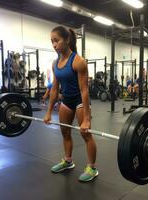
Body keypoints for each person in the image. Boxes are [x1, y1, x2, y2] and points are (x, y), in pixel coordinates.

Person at [43, 26, 98, 182]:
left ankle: (92, 167)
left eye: (56, 40)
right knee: (65, 132)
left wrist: (87, 118)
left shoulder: (78, 61)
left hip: (80, 100)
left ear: (67, 40)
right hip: (66, 101)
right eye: (52, 41)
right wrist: (48, 112)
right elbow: (54, 89)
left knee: (86, 134)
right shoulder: (55, 63)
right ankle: (68, 161)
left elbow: (84, 91)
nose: (54, 45)